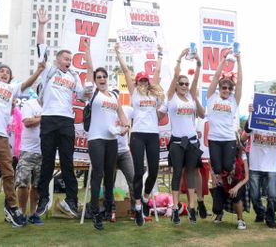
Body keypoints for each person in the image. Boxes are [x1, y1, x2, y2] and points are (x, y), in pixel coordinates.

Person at [35, 9, 86, 217]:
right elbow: (40, 47)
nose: (69, 61)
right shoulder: (48, 70)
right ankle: (43, 199)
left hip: (66, 121)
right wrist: (42, 25)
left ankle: (71, 201)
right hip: (48, 119)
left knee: (67, 162)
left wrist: (88, 90)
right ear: (57, 59)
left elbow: (82, 96)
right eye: (66, 58)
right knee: (47, 161)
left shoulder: (74, 75)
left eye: (71, 59)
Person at [115, 43, 164, 226]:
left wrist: (159, 54)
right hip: (137, 135)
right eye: (140, 81)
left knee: (153, 171)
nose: (143, 83)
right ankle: (137, 207)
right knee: (137, 171)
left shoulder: (155, 96)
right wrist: (119, 54)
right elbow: (126, 71)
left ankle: (144, 197)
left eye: (145, 81)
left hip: (152, 135)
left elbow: (157, 73)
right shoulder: (135, 93)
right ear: (137, 83)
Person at [85, 42, 129, 230]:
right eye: (98, 77)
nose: (101, 79)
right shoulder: (93, 94)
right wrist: (87, 50)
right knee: (98, 174)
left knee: (109, 178)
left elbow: (121, 114)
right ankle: (94, 212)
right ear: (95, 80)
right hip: (96, 139)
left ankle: (107, 209)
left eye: (104, 76)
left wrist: (126, 125)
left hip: (112, 140)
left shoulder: (112, 95)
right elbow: (89, 68)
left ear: (107, 79)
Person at [159, 48, 205, 225]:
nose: (185, 86)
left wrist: (198, 64)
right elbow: (175, 77)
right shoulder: (171, 98)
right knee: (178, 173)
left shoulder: (192, 99)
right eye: (182, 83)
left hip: (192, 142)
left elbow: (201, 113)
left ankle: (192, 207)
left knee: (191, 173)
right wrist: (179, 58)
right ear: (176, 85)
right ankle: (176, 208)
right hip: (177, 142)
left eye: (186, 84)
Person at [0, 62, 45, 227]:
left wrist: (39, 70)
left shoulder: (12, 89)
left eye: (7, 72)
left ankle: (12, 207)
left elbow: (27, 83)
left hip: (1, 137)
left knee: (8, 173)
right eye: (1, 71)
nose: (4, 73)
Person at [206, 48, 242, 184]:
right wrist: (223, 59)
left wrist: (239, 60)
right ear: (219, 88)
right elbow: (216, 77)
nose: (226, 90)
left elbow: (240, 83)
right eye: (224, 87)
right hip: (214, 138)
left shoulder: (233, 100)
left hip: (229, 138)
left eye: (229, 88)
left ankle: (228, 186)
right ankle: (220, 189)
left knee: (227, 166)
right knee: (217, 168)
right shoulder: (211, 97)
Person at [242, 105, 276, 228]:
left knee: (273, 194)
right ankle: (260, 212)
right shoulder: (255, 122)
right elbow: (243, 137)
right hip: (255, 164)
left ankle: (270, 217)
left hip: (272, 165)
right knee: (254, 195)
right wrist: (250, 117)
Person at [15, 88, 43, 225]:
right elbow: (27, 122)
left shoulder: (53, 106)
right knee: (23, 183)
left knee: (37, 185)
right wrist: (44, 118)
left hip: (44, 152)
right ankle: (21, 213)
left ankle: (33, 214)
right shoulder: (30, 104)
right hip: (28, 151)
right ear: (39, 91)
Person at [210, 134, 249, 230]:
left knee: (235, 195)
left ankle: (241, 220)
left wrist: (236, 188)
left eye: (234, 140)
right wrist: (214, 176)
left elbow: (246, 177)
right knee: (216, 209)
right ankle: (219, 214)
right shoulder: (219, 151)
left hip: (237, 183)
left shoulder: (242, 154)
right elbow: (210, 162)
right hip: (223, 184)